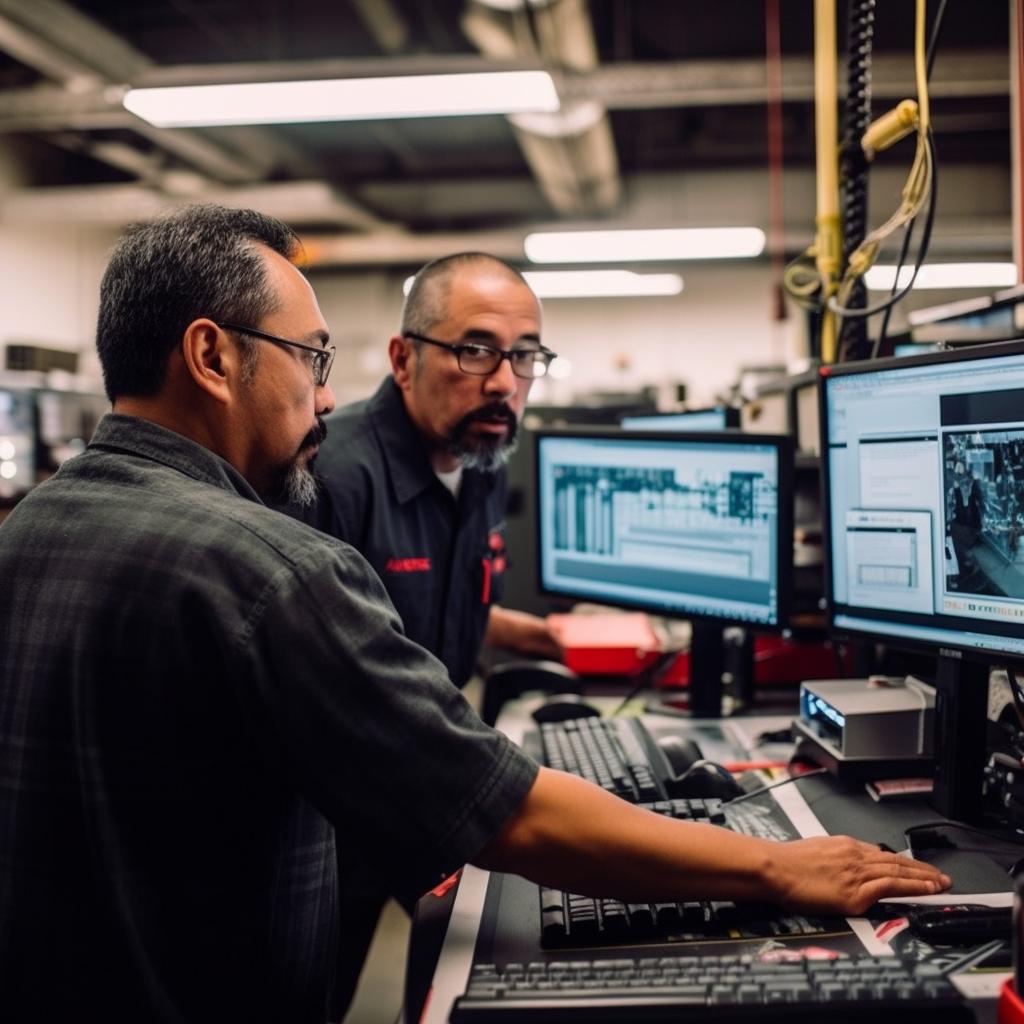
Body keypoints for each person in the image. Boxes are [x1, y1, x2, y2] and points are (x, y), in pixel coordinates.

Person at [0, 205, 950, 1024]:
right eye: (310, 357)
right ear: (212, 356)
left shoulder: (28, 529)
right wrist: (775, 868)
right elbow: (509, 814)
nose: (326, 394)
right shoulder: (272, 565)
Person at [296, 252, 560, 692]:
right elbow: (313, 682)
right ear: (403, 361)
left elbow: (444, 605)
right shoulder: (328, 477)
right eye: (475, 351)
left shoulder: (482, 461)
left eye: (525, 355)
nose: (505, 384)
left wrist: (548, 640)